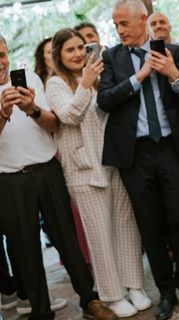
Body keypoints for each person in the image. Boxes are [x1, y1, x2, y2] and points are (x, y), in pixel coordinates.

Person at [97, 0, 179, 320]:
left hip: (172, 148)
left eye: (124, 23)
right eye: (115, 24)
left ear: (143, 19)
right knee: (150, 225)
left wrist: (173, 74)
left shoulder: (171, 51)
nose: (118, 30)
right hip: (136, 153)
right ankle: (166, 291)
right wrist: (140, 76)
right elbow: (104, 100)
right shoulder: (112, 57)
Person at [0, 34, 115, 320]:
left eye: (2, 53)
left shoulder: (30, 78)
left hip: (47, 169)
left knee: (68, 239)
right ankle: (40, 312)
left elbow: (53, 124)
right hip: (10, 180)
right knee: (26, 250)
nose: (0, 61)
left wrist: (31, 109)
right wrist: (3, 113)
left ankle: (89, 300)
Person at [46, 29, 150, 316]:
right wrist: (85, 85)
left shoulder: (102, 75)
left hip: (113, 161)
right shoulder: (55, 84)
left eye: (81, 47)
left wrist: (95, 81)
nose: (78, 54)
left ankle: (135, 285)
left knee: (126, 227)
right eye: (70, 50)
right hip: (82, 169)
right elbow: (68, 116)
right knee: (100, 235)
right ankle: (112, 294)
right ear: (59, 55)